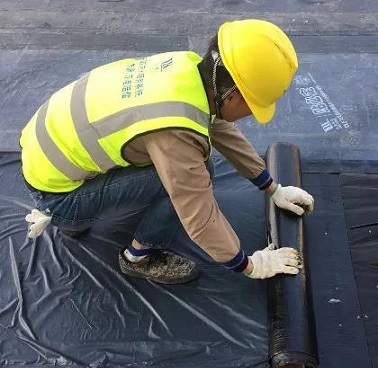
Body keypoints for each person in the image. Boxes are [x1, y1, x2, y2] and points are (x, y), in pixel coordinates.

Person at [21, 19, 314, 284]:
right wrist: (250, 265)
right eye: (254, 106)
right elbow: (197, 214)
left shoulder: (185, 68)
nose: (252, 115)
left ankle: (77, 216)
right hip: (58, 198)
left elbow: (217, 126)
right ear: (233, 96)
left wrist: (272, 188)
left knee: (166, 156)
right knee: (196, 172)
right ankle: (137, 257)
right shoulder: (175, 130)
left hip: (43, 159)